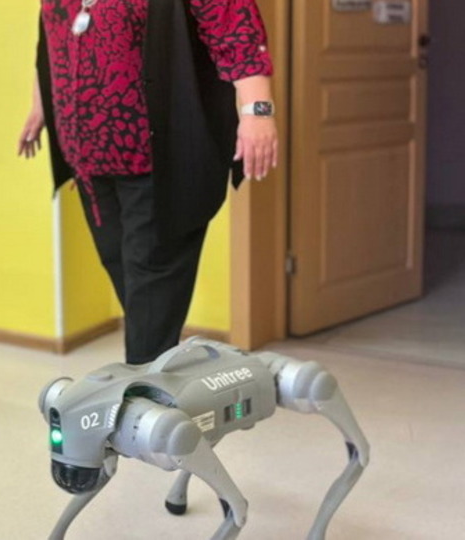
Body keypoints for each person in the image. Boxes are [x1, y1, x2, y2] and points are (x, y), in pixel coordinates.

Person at [19, 0, 279, 365]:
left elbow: (235, 29)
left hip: (159, 164)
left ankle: (144, 389)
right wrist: (41, 104)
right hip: (89, 160)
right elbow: (53, 35)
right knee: (135, 285)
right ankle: (158, 372)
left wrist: (258, 112)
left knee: (150, 292)